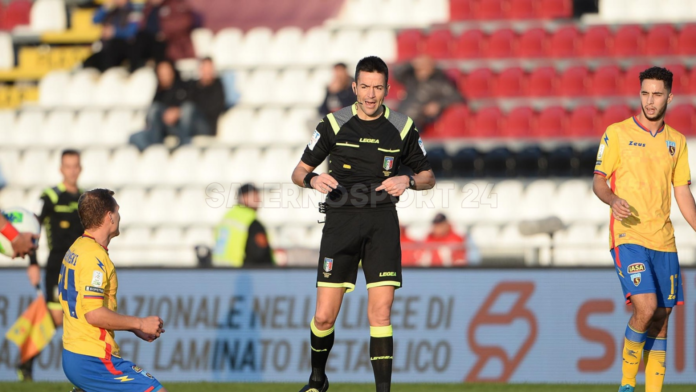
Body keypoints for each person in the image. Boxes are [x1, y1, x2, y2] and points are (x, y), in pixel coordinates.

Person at [291, 56, 435, 392]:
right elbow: (298, 172)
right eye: (365, 87)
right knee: (325, 316)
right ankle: (317, 380)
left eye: (378, 87)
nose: (371, 95)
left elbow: (428, 176)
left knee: (381, 314)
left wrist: (408, 180)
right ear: (354, 87)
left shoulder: (402, 126)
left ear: (387, 89)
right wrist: (313, 179)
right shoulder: (333, 123)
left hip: (382, 223)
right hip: (340, 223)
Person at [593, 67, 693, 392]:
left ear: (669, 97)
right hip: (628, 236)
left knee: (662, 317)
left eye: (657, 94)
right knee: (646, 307)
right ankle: (626, 385)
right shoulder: (617, 133)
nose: (650, 101)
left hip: (664, 239)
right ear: (640, 94)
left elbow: (682, 193)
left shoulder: (676, 142)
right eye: (645, 93)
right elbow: (598, 181)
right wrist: (612, 199)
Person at [60, 189, 168, 392]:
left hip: (74, 352)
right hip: (92, 357)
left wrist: (133, 328)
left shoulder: (77, 247)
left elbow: (89, 307)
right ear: (109, 216)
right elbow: (94, 314)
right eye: (117, 211)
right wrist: (141, 323)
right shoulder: (94, 257)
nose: (119, 216)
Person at [18, 150, 84, 382]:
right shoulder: (50, 197)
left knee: (72, 318)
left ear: (80, 168)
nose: (72, 171)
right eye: (68, 166)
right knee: (57, 317)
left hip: (80, 267)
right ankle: (26, 361)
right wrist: (33, 262)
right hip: (58, 266)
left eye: (76, 166)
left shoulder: (85, 199)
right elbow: (31, 228)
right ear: (61, 169)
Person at [129, 60, 191, 150]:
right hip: (159, 129)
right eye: (161, 73)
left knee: (155, 109)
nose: (164, 76)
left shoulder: (183, 88)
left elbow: (190, 108)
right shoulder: (158, 92)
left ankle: (156, 147)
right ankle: (154, 150)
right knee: (134, 137)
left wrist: (177, 111)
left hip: (177, 128)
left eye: (166, 72)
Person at [393, 54, 463, 131]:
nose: (421, 71)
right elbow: (396, 74)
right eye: (419, 68)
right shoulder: (411, 78)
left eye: (424, 67)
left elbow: (456, 97)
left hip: (418, 120)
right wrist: (410, 63)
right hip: (401, 116)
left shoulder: (439, 81)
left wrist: (438, 104)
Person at [213, 183, 274, 267]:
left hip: (220, 272)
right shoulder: (251, 222)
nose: (259, 200)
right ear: (244, 197)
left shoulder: (226, 218)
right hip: (243, 274)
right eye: (255, 196)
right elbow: (260, 254)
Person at [87, 0, 140, 72]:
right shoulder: (112, 10)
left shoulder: (134, 10)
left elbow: (132, 31)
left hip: (123, 46)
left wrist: (114, 32)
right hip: (106, 46)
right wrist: (105, 8)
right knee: (89, 63)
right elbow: (95, 20)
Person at [188, 57, 227, 137]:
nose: (208, 71)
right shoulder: (194, 86)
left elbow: (215, 108)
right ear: (200, 69)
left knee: (188, 109)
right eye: (205, 68)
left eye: (210, 68)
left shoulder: (218, 86)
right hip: (193, 123)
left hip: (208, 126)